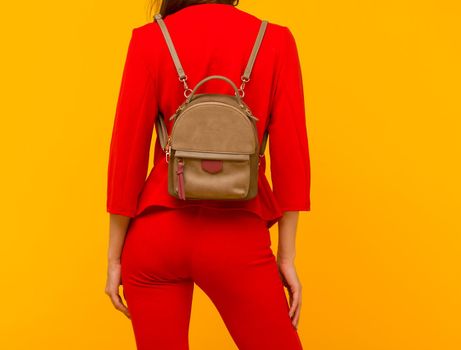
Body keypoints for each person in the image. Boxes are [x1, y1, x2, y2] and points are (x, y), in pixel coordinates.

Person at [104, 1, 311, 349]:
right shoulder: (274, 41)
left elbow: (126, 156)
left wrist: (114, 258)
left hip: (156, 235)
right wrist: (287, 257)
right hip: (237, 237)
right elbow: (293, 157)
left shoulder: (151, 39)